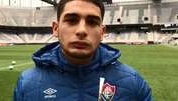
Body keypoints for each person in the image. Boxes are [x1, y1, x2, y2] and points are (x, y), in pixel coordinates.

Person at [13, 0, 153, 101]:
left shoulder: (133, 82)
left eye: (92, 22)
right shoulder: (27, 83)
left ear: (102, 32)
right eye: (71, 20)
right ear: (56, 29)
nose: (81, 31)